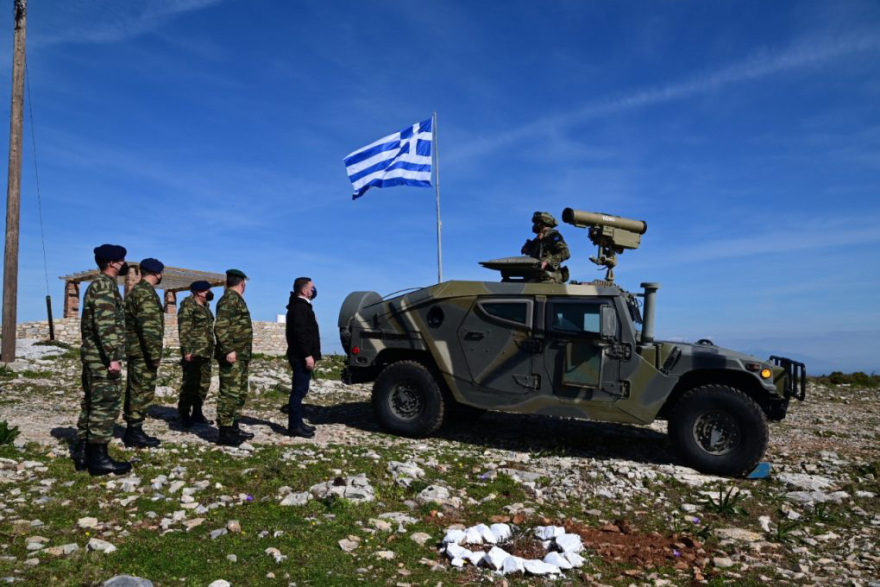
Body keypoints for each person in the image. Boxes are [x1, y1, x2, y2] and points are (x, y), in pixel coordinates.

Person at [73, 244, 132, 475]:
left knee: (92, 404)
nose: (123, 264)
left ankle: (84, 454)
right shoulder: (104, 286)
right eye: (122, 260)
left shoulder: (98, 286)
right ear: (113, 262)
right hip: (102, 359)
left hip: (94, 357)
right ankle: (99, 460)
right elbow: (105, 325)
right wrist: (113, 358)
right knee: (104, 406)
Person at [122, 258, 165, 448]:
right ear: (157, 273)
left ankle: (133, 428)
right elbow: (149, 328)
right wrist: (154, 355)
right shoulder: (146, 294)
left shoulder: (136, 291)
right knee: (141, 391)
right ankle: (134, 432)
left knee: (135, 389)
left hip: (136, 350)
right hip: (143, 352)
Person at [214, 269, 254, 446]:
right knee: (229, 393)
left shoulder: (235, 299)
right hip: (233, 355)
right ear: (242, 283)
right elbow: (221, 326)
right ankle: (225, 432)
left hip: (241, 355)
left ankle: (234, 427)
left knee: (238, 392)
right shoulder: (229, 299)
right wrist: (229, 349)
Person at [285, 277, 321, 438]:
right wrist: (307, 355)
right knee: (298, 391)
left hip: (302, 355)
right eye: (312, 287)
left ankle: (298, 422)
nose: (314, 290)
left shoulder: (302, 307)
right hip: (301, 356)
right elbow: (301, 334)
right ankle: (294, 426)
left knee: (301, 389)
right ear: (304, 290)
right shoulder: (299, 308)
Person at [177, 280, 215, 427]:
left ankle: (197, 412)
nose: (209, 293)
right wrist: (187, 351)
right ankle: (184, 413)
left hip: (206, 351)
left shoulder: (205, 307)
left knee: (204, 383)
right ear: (199, 292)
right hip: (193, 353)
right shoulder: (188, 307)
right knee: (190, 384)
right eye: (207, 290)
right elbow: (184, 330)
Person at [521, 211, 570, 283]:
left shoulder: (553, 235)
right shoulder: (537, 239)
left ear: (542, 223)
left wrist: (548, 261)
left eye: (536, 222)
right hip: (536, 277)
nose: (534, 225)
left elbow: (565, 253)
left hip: (549, 277)